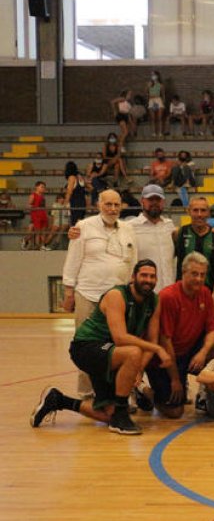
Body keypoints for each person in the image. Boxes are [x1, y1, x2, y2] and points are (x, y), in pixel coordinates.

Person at [31, 260, 166, 434]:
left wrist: (138, 372)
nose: (148, 280)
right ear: (133, 277)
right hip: (87, 347)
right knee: (133, 352)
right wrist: (157, 350)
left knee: (108, 415)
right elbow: (121, 337)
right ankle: (122, 413)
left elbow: (152, 340)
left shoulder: (154, 301)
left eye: (152, 276)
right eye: (144, 275)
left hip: (113, 353)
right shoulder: (117, 295)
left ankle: (58, 400)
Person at [62, 189, 139, 399]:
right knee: (86, 345)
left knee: (117, 345)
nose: (113, 209)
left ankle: (119, 391)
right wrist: (69, 291)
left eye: (116, 205)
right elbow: (73, 259)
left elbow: (133, 261)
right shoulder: (83, 227)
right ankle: (87, 392)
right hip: (88, 294)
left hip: (117, 299)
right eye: (108, 204)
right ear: (99, 204)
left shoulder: (128, 229)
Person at [154, 252, 214, 418]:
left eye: (202, 275)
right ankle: (147, 392)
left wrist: (202, 353)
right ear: (183, 273)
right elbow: (165, 340)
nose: (199, 279)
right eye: (194, 274)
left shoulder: (205, 293)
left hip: (190, 351)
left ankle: (204, 395)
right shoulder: (168, 296)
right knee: (176, 412)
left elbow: (213, 329)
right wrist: (175, 379)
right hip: (165, 358)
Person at [126, 184, 176, 292]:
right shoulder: (130, 227)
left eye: (158, 199)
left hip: (169, 291)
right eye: (150, 199)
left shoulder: (169, 226)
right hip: (143, 292)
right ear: (142, 201)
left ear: (163, 202)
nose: (154, 203)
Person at [173, 196, 214, 289]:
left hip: (209, 291)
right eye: (195, 210)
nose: (199, 214)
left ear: (208, 213)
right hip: (182, 291)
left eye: (203, 210)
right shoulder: (179, 233)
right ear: (188, 211)